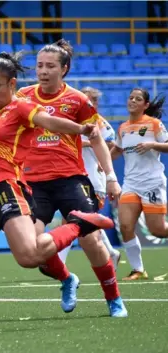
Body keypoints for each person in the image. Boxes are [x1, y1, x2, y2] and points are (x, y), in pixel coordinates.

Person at [0, 42, 114, 333]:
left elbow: (49, 120)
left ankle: (78, 225)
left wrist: (80, 130)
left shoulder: (21, 107)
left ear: (11, 84)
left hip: (7, 188)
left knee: (29, 257)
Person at [16, 39, 127, 317]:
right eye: (39, 65)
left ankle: (113, 299)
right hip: (33, 183)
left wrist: (111, 177)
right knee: (32, 248)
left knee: (91, 240)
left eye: (50, 66)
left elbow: (97, 139)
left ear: (64, 69)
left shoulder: (79, 100)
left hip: (70, 180)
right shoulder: (23, 96)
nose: (43, 71)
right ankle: (67, 279)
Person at [57, 87, 121, 269]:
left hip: (93, 178)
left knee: (73, 219)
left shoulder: (98, 122)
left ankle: (59, 262)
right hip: (74, 177)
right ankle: (111, 252)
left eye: (90, 100)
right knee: (79, 220)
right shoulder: (69, 121)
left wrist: (88, 145)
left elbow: (110, 142)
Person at [110, 88, 168, 280]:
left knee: (157, 230)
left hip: (152, 182)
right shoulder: (123, 128)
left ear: (146, 105)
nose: (133, 101)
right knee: (126, 226)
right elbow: (117, 150)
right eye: (130, 98)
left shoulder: (154, 124)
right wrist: (104, 167)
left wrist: (152, 145)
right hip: (131, 184)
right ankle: (138, 269)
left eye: (138, 99)